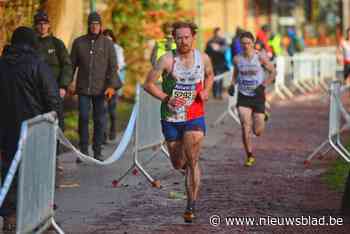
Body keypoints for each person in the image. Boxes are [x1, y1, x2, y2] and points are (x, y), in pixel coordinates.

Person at [144, 21, 214, 223]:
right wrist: (167, 98)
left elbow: (210, 75)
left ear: (193, 37)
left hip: (194, 115)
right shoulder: (167, 60)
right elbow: (148, 84)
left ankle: (191, 205)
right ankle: (187, 167)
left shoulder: (203, 58)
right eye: (179, 37)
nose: (183, 41)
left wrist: (206, 91)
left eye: (187, 37)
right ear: (174, 39)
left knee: (192, 160)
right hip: (171, 117)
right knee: (177, 163)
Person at [0, 26, 60, 232]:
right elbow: (52, 98)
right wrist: (54, 119)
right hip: (36, 128)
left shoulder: (2, 65)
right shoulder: (38, 65)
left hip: (5, 129)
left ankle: (10, 216)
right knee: (39, 171)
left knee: (9, 170)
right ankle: (40, 214)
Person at [70, 12, 118, 162]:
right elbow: (71, 65)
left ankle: (97, 150)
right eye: (92, 24)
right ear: (88, 25)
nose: (94, 27)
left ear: (100, 26)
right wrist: (69, 83)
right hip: (83, 88)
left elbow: (113, 67)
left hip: (101, 89)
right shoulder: (79, 43)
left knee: (99, 119)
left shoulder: (108, 43)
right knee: (83, 117)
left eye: (97, 24)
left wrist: (111, 86)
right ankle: (83, 150)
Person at [229, 31, 276, 167]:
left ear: (253, 43)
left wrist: (264, 85)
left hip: (258, 95)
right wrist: (232, 85)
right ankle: (249, 155)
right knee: (245, 125)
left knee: (258, 131)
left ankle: (264, 115)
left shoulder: (260, 57)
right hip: (243, 96)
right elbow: (235, 73)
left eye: (248, 43)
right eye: (243, 43)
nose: (246, 46)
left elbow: (273, 71)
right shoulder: (237, 58)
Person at [34, 10, 72, 171]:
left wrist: (63, 86)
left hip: (55, 93)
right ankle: (38, 158)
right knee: (36, 125)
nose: (42, 26)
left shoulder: (57, 44)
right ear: (35, 25)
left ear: (49, 25)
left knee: (56, 126)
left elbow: (67, 66)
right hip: (35, 93)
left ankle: (55, 159)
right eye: (39, 24)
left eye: (45, 23)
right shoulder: (31, 44)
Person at [102, 28, 126, 141]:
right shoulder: (99, 49)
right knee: (102, 109)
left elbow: (119, 65)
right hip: (101, 82)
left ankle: (112, 129)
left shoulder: (118, 49)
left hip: (113, 82)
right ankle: (103, 134)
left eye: (109, 40)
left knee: (111, 109)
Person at [205, 27, 229, 99]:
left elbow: (225, 49)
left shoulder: (221, 41)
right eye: (220, 32)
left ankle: (218, 93)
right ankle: (217, 93)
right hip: (215, 61)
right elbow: (207, 51)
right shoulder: (212, 41)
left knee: (219, 77)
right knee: (215, 77)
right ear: (216, 33)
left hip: (219, 61)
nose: (221, 34)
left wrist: (218, 48)